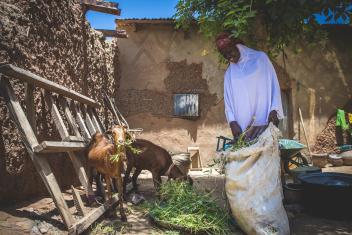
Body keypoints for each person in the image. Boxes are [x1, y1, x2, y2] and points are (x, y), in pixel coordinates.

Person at [216, 32, 283, 141]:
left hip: (265, 122)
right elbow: (228, 103)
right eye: (225, 55)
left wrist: (274, 109)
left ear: (236, 45)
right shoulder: (229, 74)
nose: (228, 57)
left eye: (229, 51)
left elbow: (274, 86)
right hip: (243, 130)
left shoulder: (261, 59)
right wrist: (232, 122)